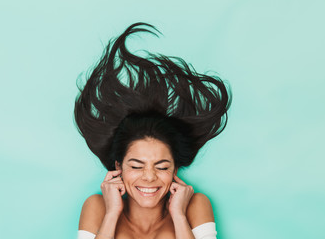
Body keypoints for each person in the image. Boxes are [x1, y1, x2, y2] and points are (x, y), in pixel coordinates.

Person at [74, 22, 231, 239]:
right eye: (137, 166)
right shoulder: (98, 207)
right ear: (118, 167)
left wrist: (178, 215)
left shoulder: (195, 205)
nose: (149, 177)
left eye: (162, 166)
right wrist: (112, 213)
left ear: (175, 170)